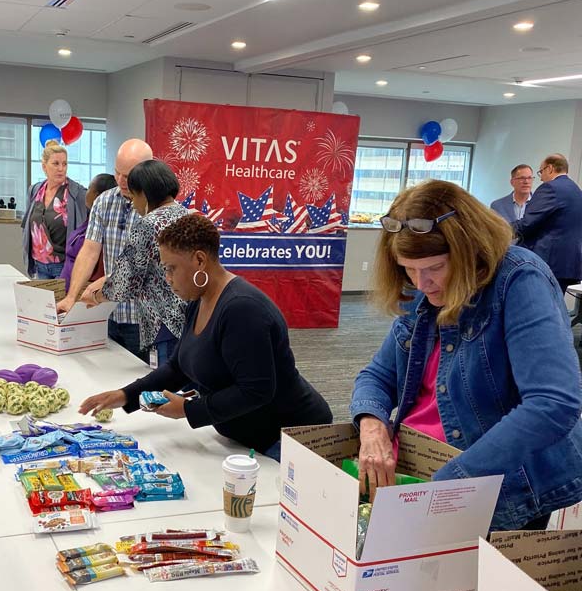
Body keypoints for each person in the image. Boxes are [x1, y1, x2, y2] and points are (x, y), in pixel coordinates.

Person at [351, 179, 582, 532]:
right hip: (420, 470)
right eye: (408, 269)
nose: (422, 283)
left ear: (470, 251)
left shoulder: (519, 279)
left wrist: (453, 481)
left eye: (434, 268)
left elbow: (553, 403)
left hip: (492, 483)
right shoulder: (421, 289)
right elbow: (378, 376)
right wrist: (371, 426)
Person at [78, 213, 333, 460]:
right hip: (246, 440)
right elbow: (179, 367)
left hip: (288, 440)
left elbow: (256, 390)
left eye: (171, 269)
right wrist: (125, 395)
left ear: (200, 261)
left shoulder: (242, 309)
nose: (167, 279)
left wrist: (187, 410)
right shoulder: (199, 300)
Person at [57, 138, 152, 360]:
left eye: (128, 176)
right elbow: (89, 251)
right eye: (117, 172)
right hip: (106, 313)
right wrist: (72, 296)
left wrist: (107, 281)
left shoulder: (157, 207)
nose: (120, 180)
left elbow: (144, 263)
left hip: (144, 320)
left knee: (142, 387)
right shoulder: (104, 202)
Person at [87, 160, 189, 365]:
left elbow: (126, 281)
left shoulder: (148, 224)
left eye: (133, 197)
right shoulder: (185, 215)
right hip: (188, 320)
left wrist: (96, 296)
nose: (133, 204)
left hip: (162, 323)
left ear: (144, 193)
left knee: (162, 388)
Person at [515, 153, 582, 295]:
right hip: (566, 265)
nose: (540, 177)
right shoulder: (576, 191)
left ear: (550, 168)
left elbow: (527, 224)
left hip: (546, 263)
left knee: (536, 310)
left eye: (541, 171)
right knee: (554, 311)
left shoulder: (549, 188)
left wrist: (497, 229)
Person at [22, 140, 87, 279]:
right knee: (42, 301)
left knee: (61, 301)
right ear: (44, 167)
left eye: (64, 164)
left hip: (63, 266)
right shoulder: (35, 190)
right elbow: (28, 224)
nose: (61, 168)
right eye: (56, 164)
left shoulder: (76, 192)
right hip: (39, 264)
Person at [60, 173, 117, 291]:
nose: (86, 191)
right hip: (69, 286)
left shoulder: (104, 228)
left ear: (97, 195)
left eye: (89, 188)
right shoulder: (90, 219)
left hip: (83, 291)